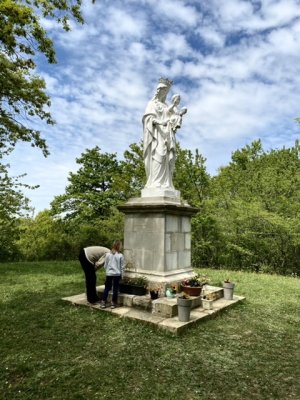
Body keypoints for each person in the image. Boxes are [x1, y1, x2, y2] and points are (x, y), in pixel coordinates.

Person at [100, 240, 124, 309]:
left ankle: (103, 302)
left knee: (107, 288)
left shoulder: (107, 254)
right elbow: (122, 267)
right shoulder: (120, 255)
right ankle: (113, 303)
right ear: (119, 246)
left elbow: (105, 265)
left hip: (109, 274)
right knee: (115, 289)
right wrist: (122, 276)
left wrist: (107, 271)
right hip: (117, 274)